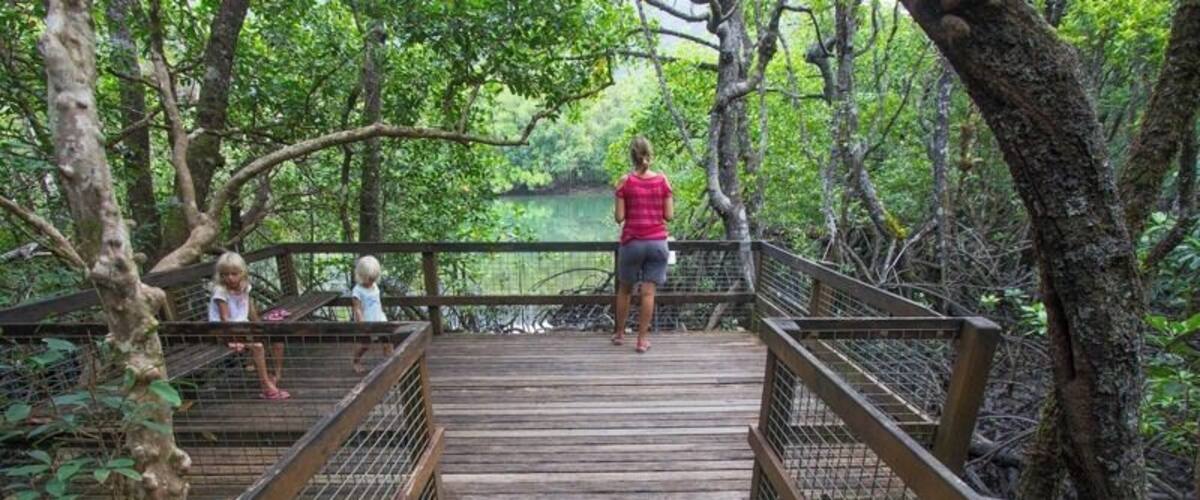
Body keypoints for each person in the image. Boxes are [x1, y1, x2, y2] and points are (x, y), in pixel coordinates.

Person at [612, 136, 673, 353]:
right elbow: (669, 215)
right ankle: (641, 341)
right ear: (650, 154)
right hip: (657, 243)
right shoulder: (663, 181)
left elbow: (619, 218)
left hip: (632, 242)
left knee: (625, 290)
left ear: (632, 156)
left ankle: (619, 334)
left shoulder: (625, 181)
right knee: (648, 293)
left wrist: (620, 195)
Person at [208, 252, 289, 400]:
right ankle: (265, 385)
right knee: (257, 346)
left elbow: (249, 308)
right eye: (225, 274)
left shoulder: (245, 287)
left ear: (242, 273)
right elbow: (224, 319)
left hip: (243, 327)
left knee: (276, 337)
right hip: (224, 331)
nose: (230, 278)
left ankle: (276, 375)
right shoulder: (221, 291)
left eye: (234, 274)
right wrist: (234, 339)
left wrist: (259, 326)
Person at [350, 255, 393, 374]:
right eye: (369, 279)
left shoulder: (375, 286)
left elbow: (378, 302)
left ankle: (389, 360)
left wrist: (382, 315)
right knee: (365, 344)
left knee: (387, 340)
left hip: (379, 318)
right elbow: (357, 309)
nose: (371, 282)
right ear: (361, 276)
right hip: (366, 320)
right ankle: (356, 361)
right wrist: (362, 324)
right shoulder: (357, 291)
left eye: (373, 279)